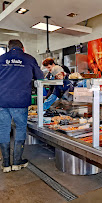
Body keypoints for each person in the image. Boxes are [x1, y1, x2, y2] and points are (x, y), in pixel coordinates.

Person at [0, 39, 44, 173]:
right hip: (20, 100)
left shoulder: (1, 58)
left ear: (8, 48)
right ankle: (17, 161)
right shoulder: (29, 59)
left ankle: (6, 164)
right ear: (23, 48)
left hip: (2, 100)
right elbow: (40, 78)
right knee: (20, 128)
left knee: (4, 129)